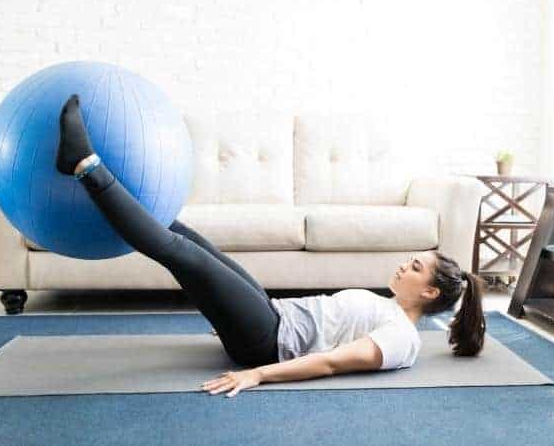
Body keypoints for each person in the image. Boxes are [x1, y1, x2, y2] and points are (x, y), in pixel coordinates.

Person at [56, 94, 486, 398]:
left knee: (178, 252)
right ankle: (116, 185)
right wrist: (230, 313)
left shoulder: (400, 338)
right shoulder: (390, 310)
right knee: (189, 238)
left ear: (429, 292)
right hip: (269, 316)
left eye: (414, 268)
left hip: (266, 341)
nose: (402, 267)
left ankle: (84, 166)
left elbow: (331, 364)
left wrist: (257, 375)